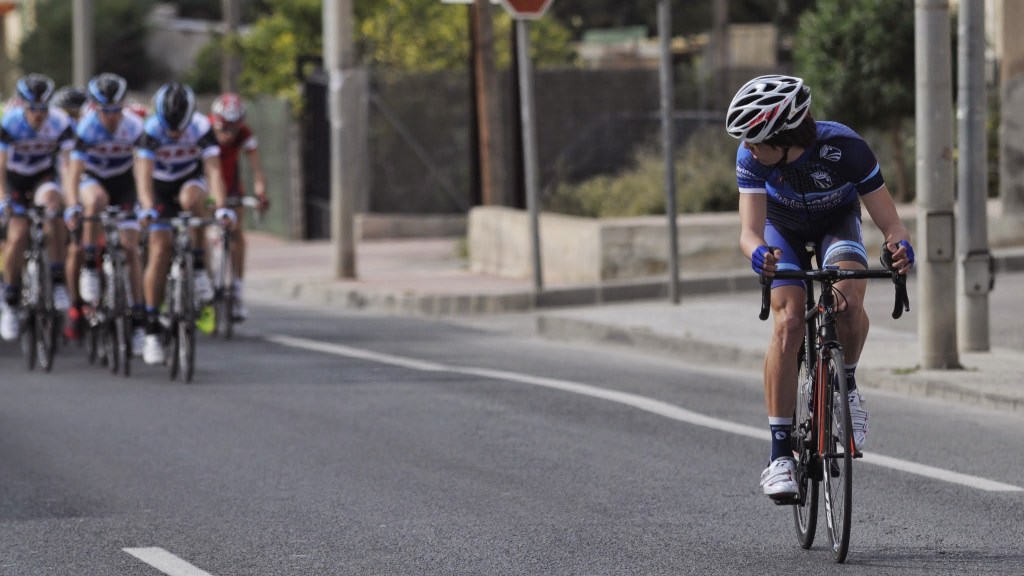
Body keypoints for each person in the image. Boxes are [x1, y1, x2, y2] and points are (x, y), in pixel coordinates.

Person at [725, 75, 915, 500]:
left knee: (847, 302)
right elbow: (749, 231)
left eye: (756, 141)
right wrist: (758, 253)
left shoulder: (846, 148)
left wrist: (899, 246)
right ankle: (780, 457)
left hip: (836, 222)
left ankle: (846, 387)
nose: (749, 149)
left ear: (785, 136)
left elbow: (891, 223)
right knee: (789, 321)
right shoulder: (751, 156)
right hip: (781, 229)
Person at [135, 82, 232, 365]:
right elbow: (143, 176)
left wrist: (223, 207)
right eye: (170, 128)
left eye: (180, 128)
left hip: (189, 180)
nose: (175, 134)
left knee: (193, 200)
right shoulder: (150, 129)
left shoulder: (202, 128)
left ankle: (199, 265)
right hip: (159, 187)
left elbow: (214, 172)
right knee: (160, 248)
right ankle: (152, 327)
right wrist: (148, 209)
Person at [63, 72, 146, 351]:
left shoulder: (134, 126)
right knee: (95, 199)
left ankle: (137, 318)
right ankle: (89, 264)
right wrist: (73, 205)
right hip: (93, 179)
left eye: (116, 109)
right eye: (105, 110)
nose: (111, 116)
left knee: (131, 250)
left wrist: (145, 203)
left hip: (123, 182)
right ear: (95, 107)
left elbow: (144, 166)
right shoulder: (86, 127)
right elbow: (74, 172)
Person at [0, 74, 75, 341]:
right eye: (33, 108)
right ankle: (9, 298)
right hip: (15, 180)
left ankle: (56, 280)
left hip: (44, 177)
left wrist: (70, 201)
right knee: (18, 234)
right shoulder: (9, 123)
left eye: (43, 107)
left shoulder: (60, 122)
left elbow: (67, 166)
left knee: (53, 208)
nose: (38, 114)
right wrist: (3, 200)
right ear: (23, 105)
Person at [209, 92, 268, 321]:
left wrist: (260, 191)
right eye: (223, 128)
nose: (227, 134)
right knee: (200, 229)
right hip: (207, 184)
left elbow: (257, 168)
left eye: (233, 129)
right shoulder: (204, 131)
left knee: (237, 234)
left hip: (232, 185)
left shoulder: (244, 134)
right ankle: (203, 277)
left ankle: (237, 289)